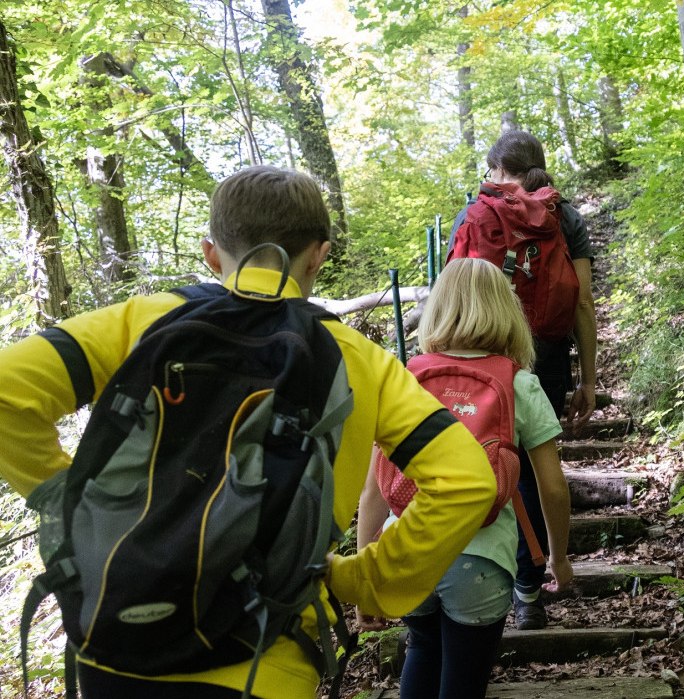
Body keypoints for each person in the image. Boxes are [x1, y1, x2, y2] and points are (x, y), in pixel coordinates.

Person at [0, 165, 496, 698]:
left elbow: (6, 392)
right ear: (319, 255)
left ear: (212, 254)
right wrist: (367, 581)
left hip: (118, 649)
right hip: (266, 659)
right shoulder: (358, 360)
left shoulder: (146, 321)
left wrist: (70, 501)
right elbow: (467, 480)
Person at [357, 258, 572, 697]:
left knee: (422, 646)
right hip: (481, 559)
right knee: (465, 680)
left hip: (410, 550)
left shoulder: (406, 378)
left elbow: (374, 487)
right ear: (507, 312)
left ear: (438, 308)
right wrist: (558, 557)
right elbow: (552, 487)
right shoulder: (519, 383)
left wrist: (365, 579)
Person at [450, 130, 596, 630]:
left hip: (478, 358)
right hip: (545, 358)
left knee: (481, 460)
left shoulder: (474, 213)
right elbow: (582, 302)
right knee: (535, 469)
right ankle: (529, 592)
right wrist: (588, 380)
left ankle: (469, 580)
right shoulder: (564, 216)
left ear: (496, 169)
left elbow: (451, 292)